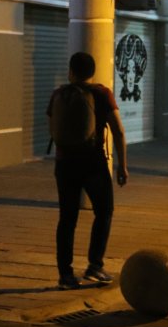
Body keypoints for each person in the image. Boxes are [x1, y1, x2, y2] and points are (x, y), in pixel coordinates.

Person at [47, 51, 128, 290]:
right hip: (93, 163)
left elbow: (52, 128)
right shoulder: (102, 94)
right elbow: (119, 131)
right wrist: (122, 166)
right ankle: (95, 266)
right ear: (92, 71)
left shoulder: (58, 94)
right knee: (104, 212)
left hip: (64, 164)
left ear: (71, 71)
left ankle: (65, 275)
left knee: (67, 219)